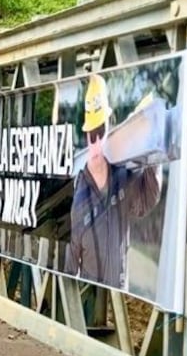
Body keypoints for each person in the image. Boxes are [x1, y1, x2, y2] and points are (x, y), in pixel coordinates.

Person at [65, 74, 161, 288]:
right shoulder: (78, 191)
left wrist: (149, 156)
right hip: (86, 293)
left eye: (101, 132)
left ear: (110, 127)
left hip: (118, 292)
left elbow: (147, 201)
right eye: (92, 134)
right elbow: (70, 254)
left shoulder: (123, 178)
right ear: (86, 136)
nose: (97, 142)